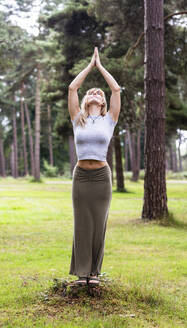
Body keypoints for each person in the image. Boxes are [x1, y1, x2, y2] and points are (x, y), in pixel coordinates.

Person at [68, 47, 121, 286]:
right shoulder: (77, 119)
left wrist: (101, 67)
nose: (96, 93)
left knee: (99, 223)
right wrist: (90, 66)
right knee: (81, 223)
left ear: (102, 104)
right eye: (92, 92)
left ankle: (94, 274)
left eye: (99, 94)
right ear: (86, 100)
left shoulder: (109, 120)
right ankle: (81, 273)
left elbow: (116, 89)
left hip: (101, 177)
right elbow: (72, 88)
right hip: (81, 177)